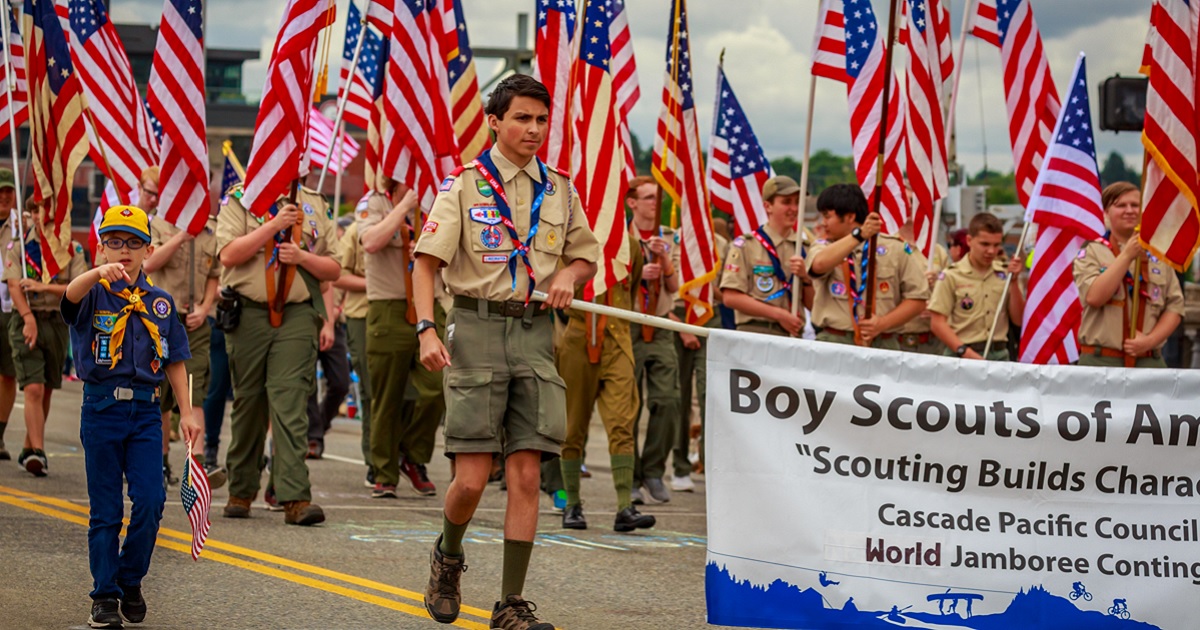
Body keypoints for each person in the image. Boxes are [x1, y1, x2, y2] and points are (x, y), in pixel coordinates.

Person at [414, 74, 599, 630]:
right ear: (495, 121)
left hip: (537, 335)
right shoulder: (466, 186)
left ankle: (510, 605)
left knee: (525, 474)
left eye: (541, 119)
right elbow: (425, 263)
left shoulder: (561, 189)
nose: (534, 129)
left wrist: (569, 272)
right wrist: (426, 328)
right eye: (522, 117)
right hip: (475, 328)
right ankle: (448, 557)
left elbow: (585, 256)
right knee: (470, 478)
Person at [61, 205, 198, 629]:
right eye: (115, 242)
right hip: (101, 408)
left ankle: (130, 578)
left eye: (133, 243)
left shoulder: (159, 302)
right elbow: (68, 297)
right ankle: (103, 596)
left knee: (152, 500)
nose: (124, 250)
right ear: (101, 247)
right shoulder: (95, 292)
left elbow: (174, 358)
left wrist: (187, 411)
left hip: (144, 412)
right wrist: (97, 274)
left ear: (148, 249)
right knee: (105, 509)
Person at [216, 184, 340, 526]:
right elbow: (228, 254)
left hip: (298, 314)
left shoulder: (314, 202)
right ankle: (241, 489)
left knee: (290, 401)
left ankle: (295, 497)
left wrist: (302, 257)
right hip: (249, 313)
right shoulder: (240, 199)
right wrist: (271, 226)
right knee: (249, 402)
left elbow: (333, 270)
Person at [556, 231, 655, 532]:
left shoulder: (632, 246)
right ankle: (571, 503)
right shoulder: (569, 242)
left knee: (622, 422)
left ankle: (625, 505)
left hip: (618, 339)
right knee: (572, 425)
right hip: (577, 336)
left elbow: (633, 285)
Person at [139, 166, 226, 489]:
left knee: (195, 390)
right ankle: (159, 462)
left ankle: (197, 464)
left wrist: (205, 308)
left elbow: (214, 273)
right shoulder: (156, 225)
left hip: (195, 322)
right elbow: (148, 264)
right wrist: (180, 236)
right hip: (161, 320)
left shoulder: (210, 229)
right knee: (159, 394)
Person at [358, 182, 444, 498]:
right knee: (387, 396)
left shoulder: (439, 198)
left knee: (436, 390)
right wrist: (404, 207)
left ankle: (413, 456)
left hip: (430, 305)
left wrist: (428, 250)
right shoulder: (376, 202)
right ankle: (384, 471)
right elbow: (370, 241)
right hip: (389, 307)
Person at [5, 198, 88, 475]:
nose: (44, 217)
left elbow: (79, 287)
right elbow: (15, 285)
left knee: (48, 386)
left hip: (58, 322)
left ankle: (29, 447)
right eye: (38, 210)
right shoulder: (19, 246)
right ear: (31, 213)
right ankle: (38, 453)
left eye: (50, 210)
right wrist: (27, 318)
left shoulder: (71, 249)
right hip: (27, 319)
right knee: (33, 388)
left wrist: (42, 285)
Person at [1074, 182, 1183, 367]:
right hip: (1102, 360)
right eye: (1121, 205)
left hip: (1149, 358)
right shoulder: (1092, 251)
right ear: (1106, 212)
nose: (1129, 210)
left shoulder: (1158, 254)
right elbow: (1094, 297)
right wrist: (1127, 256)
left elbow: (1175, 307)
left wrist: (1149, 341)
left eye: (1135, 205)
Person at [806, 184, 929, 349]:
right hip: (835, 340)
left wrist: (882, 323)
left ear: (850, 217)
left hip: (883, 341)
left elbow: (918, 299)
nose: (823, 223)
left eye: (828, 217)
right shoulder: (824, 246)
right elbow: (819, 265)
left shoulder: (895, 248)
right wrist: (859, 235)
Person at [626, 176, 681, 504]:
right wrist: (638, 274)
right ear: (632, 203)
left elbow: (675, 288)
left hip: (659, 324)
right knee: (627, 405)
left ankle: (654, 471)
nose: (653, 204)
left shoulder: (668, 237)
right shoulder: (621, 237)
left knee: (668, 401)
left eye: (656, 198)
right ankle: (631, 476)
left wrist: (663, 261)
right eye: (647, 198)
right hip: (629, 323)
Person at [670, 226, 728, 488]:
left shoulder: (721, 243)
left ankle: (708, 462)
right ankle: (680, 465)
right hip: (677, 314)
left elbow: (726, 292)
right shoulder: (671, 239)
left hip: (709, 315)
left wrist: (708, 285)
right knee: (679, 397)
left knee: (711, 394)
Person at [720, 175, 813, 337]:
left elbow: (814, 306)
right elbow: (730, 297)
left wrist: (806, 279)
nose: (794, 208)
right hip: (755, 332)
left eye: (797, 202)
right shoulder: (746, 245)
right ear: (768, 206)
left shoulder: (803, 248)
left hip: (793, 335)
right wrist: (778, 314)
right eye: (786, 202)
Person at [929, 213, 1025, 361]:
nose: (991, 251)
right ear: (969, 240)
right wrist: (965, 352)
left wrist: (1014, 282)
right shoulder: (952, 275)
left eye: (996, 245)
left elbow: (1018, 320)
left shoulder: (1005, 273)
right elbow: (937, 322)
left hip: (999, 355)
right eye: (985, 244)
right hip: (962, 355)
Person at [333, 216, 373, 486]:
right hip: (360, 315)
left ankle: (408, 455)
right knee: (370, 391)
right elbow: (336, 275)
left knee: (420, 394)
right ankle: (377, 462)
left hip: (414, 316)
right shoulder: (360, 228)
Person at [306, 280, 350, 460]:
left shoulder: (337, 251)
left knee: (341, 383)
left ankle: (318, 425)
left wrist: (338, 311)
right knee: (308, 382)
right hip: (306, 319)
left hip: (335, 321)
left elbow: (342, 276)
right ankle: (314, 436)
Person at [895, 218, 951, 355]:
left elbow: (951, 293)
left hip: (931, 341)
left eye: (914, 201)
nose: (910, 206)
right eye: (906, 200)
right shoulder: (886, 247)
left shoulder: (937, 251)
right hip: (896, 338)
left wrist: (935, 307)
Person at [0, 168, 19, 461]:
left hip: (9, 308)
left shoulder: (21, 226)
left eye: (8, 191)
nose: (4, 197)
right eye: (0, 191)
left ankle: (0, 436)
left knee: (8, 374)